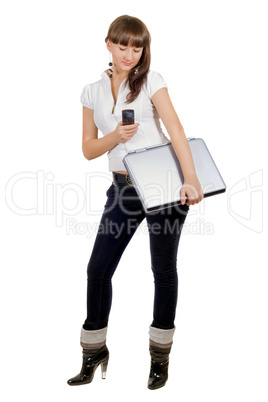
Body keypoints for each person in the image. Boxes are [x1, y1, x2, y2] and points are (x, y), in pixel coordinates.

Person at [67, 15, 203, 390]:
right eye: (122, 45)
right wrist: (115, 136)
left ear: (143, 49)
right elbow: (88, 149)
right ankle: (93, 352)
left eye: (137, 47)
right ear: (108, 44)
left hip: (164, 185)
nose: (129, 53)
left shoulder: (151, 81)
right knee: (98, 269)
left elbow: (175, 129)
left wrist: (190, 178)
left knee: (163, 271)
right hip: (124, 187)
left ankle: (160, 359)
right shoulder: (91, 92)